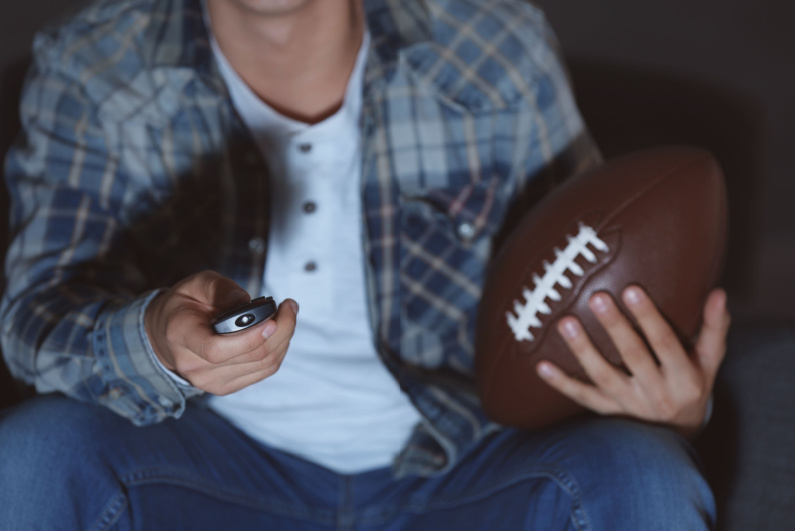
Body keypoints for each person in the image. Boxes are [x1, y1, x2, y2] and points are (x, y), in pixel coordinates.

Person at [0, 0, 730, 529]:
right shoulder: (92, 62)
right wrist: (153, 341)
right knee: (34, 451)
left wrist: (656, 400)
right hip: (202, 463)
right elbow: (34, 316)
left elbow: (584, 269)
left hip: (467, 463)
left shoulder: (490, 40)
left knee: (641, 469)